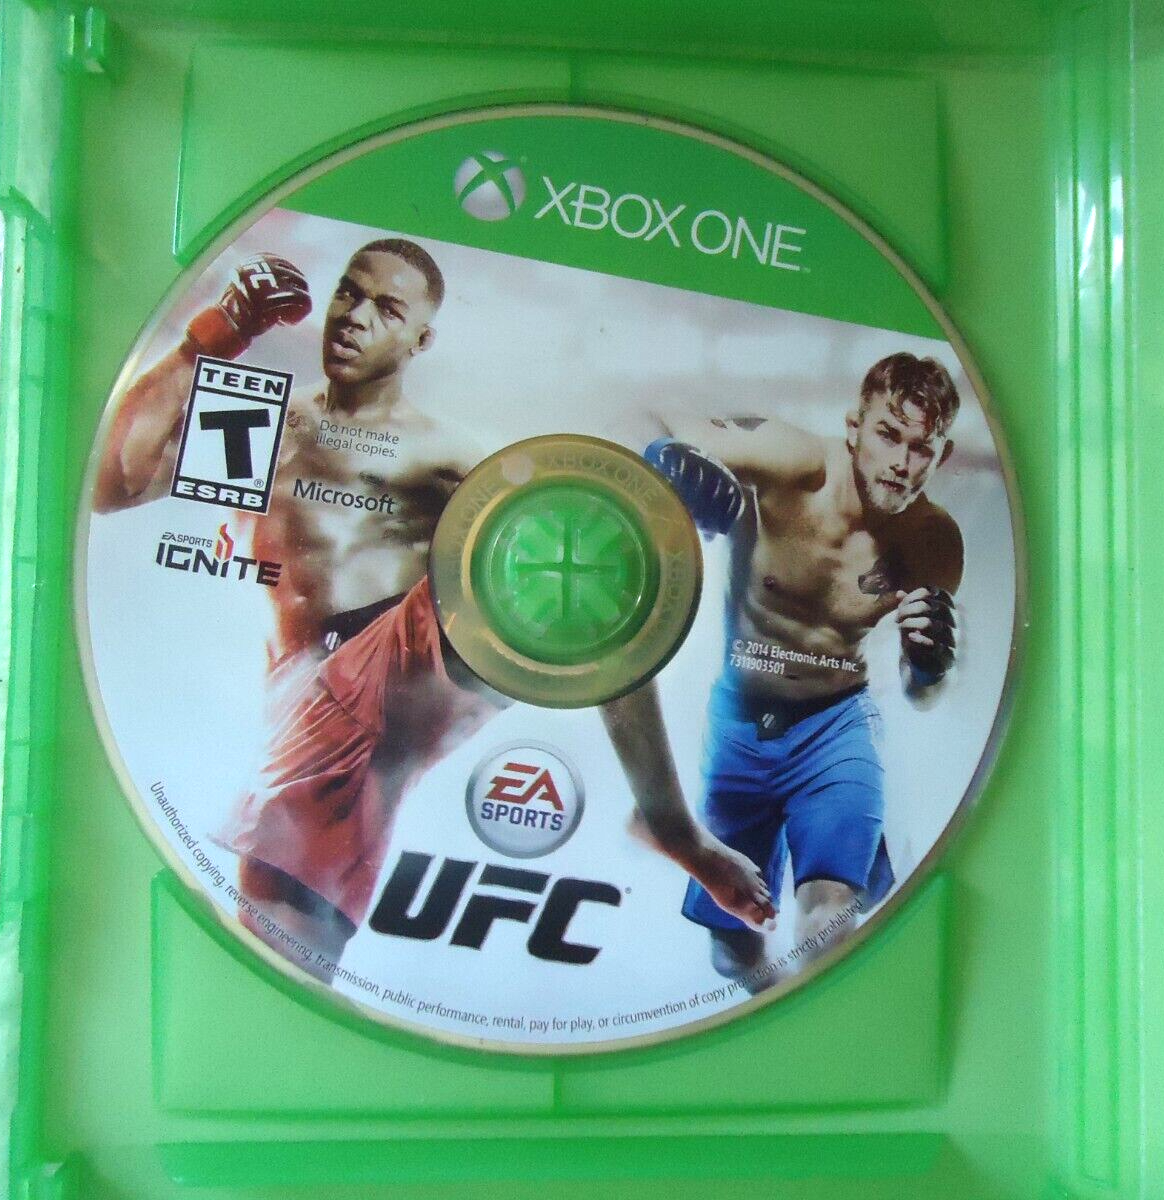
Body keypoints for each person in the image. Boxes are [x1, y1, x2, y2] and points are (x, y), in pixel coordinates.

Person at [93, 243, 771, 980]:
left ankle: (666, 809)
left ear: (420, 340)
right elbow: (115, 483)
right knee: (287, 948)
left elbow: (581, 592)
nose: (355, 318)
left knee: (569, 567)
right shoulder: (271, 425)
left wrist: (639, 503)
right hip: (307, 709)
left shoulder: (441, 458)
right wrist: (212, 336)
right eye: (349, 294)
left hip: (403, 666)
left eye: (388, 310)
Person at [642, 351, 964, 992]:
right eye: (888, 435)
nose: (902, 464)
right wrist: (666, 464)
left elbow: (922, 694)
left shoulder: (934, 542)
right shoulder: (792, 460)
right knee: (732, 950)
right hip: (739, 726)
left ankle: (823, 1004)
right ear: (854, 426)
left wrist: (931, 669)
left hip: (836, 726)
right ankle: (775, 1014)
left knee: (827, 924)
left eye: (922, 449)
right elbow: (655, 419)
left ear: (942, 455)